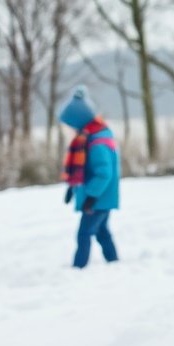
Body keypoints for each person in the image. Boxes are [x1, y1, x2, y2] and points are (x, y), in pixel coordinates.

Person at [59, 86, 120, 269]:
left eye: (70, 126)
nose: (69, 130)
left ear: (79, 122)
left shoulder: (97, 144)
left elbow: (104, 173)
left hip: (99, 199)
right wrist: (72, 188)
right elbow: (86, 171)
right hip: (99, 199)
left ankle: (79, 267)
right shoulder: (90, 138)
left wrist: (91, 196)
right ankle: (114, 262)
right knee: (102, 232)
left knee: (84, 234)